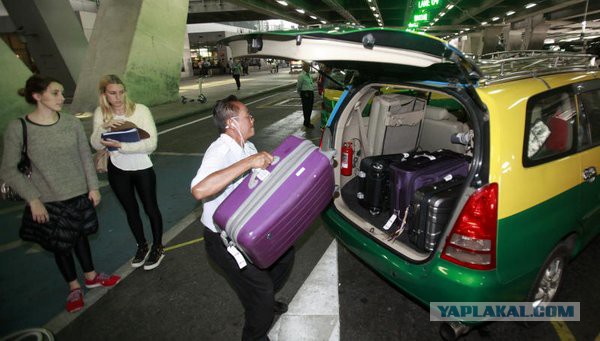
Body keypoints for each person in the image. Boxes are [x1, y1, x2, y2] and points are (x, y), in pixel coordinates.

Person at [0, 74, 120, 313]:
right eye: (55, 93)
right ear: (37, 96)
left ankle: (91, 276)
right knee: (60, 245)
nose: (61, 97)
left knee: (81, 236)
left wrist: (93, 187)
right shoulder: (19, 128)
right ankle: (74, 286)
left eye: (61, 92)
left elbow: (85, 157)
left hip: (78, 193)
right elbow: (8, 169)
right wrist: (33, 199)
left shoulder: (71, 123)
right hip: (47, 199)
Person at [191, 95, 294, 341]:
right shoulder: (221, 149)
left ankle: (262, 302)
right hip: (222, 240)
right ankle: (255, 334)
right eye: (248, 116)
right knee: (261, 289)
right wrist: (249, 163)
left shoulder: (247, 146)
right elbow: (199, 189)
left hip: (245, 229)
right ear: (232, 123)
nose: (252, 119)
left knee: (284, 255)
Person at [90, 75, 165, 271]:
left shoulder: (140, 110)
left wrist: (121, 145)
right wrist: (102, 128)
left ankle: (158, 246)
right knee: (131, 211)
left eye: (121, 92)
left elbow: (151, 144)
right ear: (104, 95)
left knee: (150, 208)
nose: (118, 97)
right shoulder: (101, 112)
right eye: (113, 93)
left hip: (142, 167)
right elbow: (95, 143)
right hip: (117, 169)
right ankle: (142, 245)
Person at [297, 62, 315, 129]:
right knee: (306, 109)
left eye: (309, 67)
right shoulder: (301, 75)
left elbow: (310, 83)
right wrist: (301, 93)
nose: (309, 68)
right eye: (307, 67)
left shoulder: (309, 75)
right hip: (305, 93)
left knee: (310, 108)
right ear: (304, 67)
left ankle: (307, 122)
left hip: (310, 93)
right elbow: (299, 86)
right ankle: (307, 123)